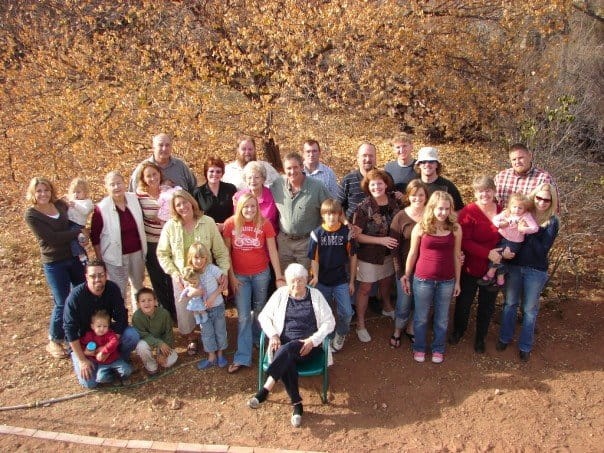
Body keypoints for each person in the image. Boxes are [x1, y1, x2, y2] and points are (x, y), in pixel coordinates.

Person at [247, 264, 335, 428]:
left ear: (306, 280)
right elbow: (264, 317)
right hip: (283, 348)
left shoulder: (315, 296)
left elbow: (330, 322)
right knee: (287, 355)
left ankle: (266, 390)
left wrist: (313, 340)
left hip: (309, 348)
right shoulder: (281, 294)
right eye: (293, 282)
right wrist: (273, 334)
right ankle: (297, 405)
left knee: (286, 351)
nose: (296, 286)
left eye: (300, 281)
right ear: (287, 282)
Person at [157, 190, 230, 355]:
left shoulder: (208, 222)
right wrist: (174, 273)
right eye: (178, 205)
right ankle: (191, 337)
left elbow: (220, 251)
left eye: (185, 202)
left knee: (209, 306)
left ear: (192, 202)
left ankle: (212, 339)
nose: (183, 207)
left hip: (207, 273)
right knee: (185, 309)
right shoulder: (170, 226)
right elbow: (162, 253)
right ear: (174, 209)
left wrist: (223, 272)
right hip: (184, 276)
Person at [449, 176, 513, 353]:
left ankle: (480, 338)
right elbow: (464, 241)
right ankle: (458, 331)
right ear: (475, 193)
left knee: (487, 304)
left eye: (488, 190)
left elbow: (510, 235)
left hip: (494, 268)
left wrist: (507, 250)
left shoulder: (503, 212)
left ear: (494, 191)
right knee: (464, 302)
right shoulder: (468, 212)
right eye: (480, 191)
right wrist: (487, 253)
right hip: (471, 267)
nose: (484, 194)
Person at [25, 177, 87, 358]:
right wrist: (78, 232)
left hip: (73, 257)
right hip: (54, 262)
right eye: (39, 191)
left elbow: (77, 213)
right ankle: (54, 339)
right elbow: (52, 238)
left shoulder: (59, 205)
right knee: (62, 301)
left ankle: (77, 332)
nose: (43, 194)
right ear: (33, 193)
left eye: (46, 190)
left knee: (81, 292)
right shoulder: (32, 215)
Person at [497, 183, 560, 362]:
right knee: (510, 304)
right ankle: (505, 338)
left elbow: (543, 249)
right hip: (515, 265)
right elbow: (507, 232)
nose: (541, 202)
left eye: (546, 199)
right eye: (538, 198)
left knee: (530, 310)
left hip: (535, 269)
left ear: (551, 201)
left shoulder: (552, 221)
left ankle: (525, 345)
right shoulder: (523, 213)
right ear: (533, 197)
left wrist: (529, 232)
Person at [223, 193, 284, 373]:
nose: (249, 210)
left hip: (261, 275)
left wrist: (279, 276)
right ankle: (242, 356)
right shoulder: (230, 224)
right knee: (242, 316)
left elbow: (272, 251)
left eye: (253, 206)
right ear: (239, 207)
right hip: (240, 277)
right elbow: (226, 253)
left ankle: (258, 339)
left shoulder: (264, 224)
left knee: (260, 310)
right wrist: (231, 277)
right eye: (246, 206)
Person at [403, 191, 461, 364]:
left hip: (447, 280)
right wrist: (406, 275)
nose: (443, 212)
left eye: (446, 208)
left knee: (442, 318)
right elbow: (412, 253)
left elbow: (457, 256)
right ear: (432, 208)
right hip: (422, 279)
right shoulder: (421, 227)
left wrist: (458, 281)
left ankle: (438, 349)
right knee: (421, 317)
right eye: (439, 208)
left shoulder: (455, 228)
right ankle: (419, 347)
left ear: (451, 209)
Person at [63, 260, 140, 388]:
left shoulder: (112, 289)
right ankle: (100, 366)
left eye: (101, 275)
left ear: (106, 275)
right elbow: (69, 330)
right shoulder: (75, 297)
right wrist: (83, 359)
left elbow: (121, 317)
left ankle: (118, 360)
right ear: (86, 276)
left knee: (132, 335)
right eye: (93, 276)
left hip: (106, 336)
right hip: (85, 345)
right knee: (90, 383)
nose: (97, 279)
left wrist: (109, 348)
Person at [353, 169, 402, 342]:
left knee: (386, 280)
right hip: (370, 255)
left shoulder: (396, 202)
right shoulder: (363, 207)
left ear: (386, 184)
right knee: (366, 287)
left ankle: (387, 306)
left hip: (392, 254)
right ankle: (360, 323)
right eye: (373, 184)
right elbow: (356, 235)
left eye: (380, 183)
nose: (376, 187)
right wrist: (380, 241)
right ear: (368, 186)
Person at [91, 171, 147, 311]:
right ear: (107, 188)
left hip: (137, 252)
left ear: (124, 183)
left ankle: (139, 319)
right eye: (112, 185)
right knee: (118, 290)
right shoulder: (101, 208)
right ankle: (121, 322)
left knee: (138, 286)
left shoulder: (134, 199)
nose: (116, 187)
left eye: (119, 183)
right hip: (115, 257)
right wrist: (100, 259)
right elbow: (95, 236)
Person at [308, 199, 357, 352]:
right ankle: (327, 337)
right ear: (323, 215)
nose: (331, 217)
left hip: (341, 279)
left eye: (334, 214)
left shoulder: (346, 233)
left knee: (347, 312)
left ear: (339, 215)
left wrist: (352, 282)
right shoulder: (316, 234)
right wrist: (315, 276)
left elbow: (353, 257)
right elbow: (314, 258)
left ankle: (341, 333)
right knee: (324, 312)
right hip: (322, 281)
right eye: (328, 214)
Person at [270, 152, 331, 270]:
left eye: (295, 167)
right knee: (286, 278)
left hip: (306, 242)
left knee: (304, 280)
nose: (292, 172)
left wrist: (344, 224)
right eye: (288, 168)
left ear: (302, 167)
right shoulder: (278, 185)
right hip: (284, 242)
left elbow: (331, 209)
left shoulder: (317, 187)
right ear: (283, 169)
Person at [389, 179, 429, 347]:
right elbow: (394, 249)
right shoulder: (400, 217)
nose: (417, 199)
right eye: (414, 195)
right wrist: (400, 273)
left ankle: (411, 328)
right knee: (404, 302)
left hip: (426, 270)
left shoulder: (432, 215)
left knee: (421, 303)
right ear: (408, 196)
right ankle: (398, 329)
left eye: (421, 195)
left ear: (426, 197)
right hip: (406, 270)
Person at [135, 161, 177, 319]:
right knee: (157, 278)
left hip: (171, 242)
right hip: (151, 243)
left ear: (160, 174)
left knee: (172, 276)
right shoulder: (139, 196)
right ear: (143, 179)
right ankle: (166, 312)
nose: (152, 178)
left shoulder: (169, 192)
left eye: (155, 174)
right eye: (148, 176)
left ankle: (176, 309)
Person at [179, 242, 228, 370]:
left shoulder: (212, 269)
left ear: (206, 258)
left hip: (216, 306)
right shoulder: (190, 272)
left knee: (220, 331)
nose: (199, 261)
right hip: (202, 311)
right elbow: (187, 289)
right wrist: (194, 292)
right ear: (191, 258)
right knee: (207, 333)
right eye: (196, 257)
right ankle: (211, 356)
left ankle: (220, 354)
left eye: (202, 257)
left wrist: (214, 295)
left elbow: (223, 285)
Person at [480, 193, 538, 288]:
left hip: (515, 241)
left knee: (501, 256)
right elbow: (495, 219)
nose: (516, 210)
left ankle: (491, 273)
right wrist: (501, 224)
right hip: (503, 237)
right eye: (514, 207)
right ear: (510, 206)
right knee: (498, 256)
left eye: (520, 208)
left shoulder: (526, 216)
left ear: (525, 209)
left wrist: (523, 229)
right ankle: (500, 278)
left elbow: (535, 228)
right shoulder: (507, 213)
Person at [495, 143, 558, 212]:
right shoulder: (501, 177)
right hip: (502, 221)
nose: (517, 162)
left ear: (530, 156)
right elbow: (491, 203)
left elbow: (554, 209)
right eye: (514, 159)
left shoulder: (543, 179)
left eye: (520, 158)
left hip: (533, 221)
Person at [129, 133, 197, 193]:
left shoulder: (180, 165)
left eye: (167, 145)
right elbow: (132, 195)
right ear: (153, 148)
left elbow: (194, 189)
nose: (164, 148)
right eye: (160, 145)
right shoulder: (142, 168)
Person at [132, 287, 178, 375]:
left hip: (163, 341)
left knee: (170, 362)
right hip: (147, 341)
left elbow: (169, 333)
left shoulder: (164, 314)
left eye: (150, 300)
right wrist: (158, 343)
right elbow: (143, 335)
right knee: (141, 347)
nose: (147, 303)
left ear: (155, 301)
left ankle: (160, 355)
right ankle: (151, 366)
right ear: (138, 304)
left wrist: (162, 353)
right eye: (143, 301)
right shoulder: (136, 317)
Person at [80, 309, 133, 385]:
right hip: (102, 364)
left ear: (108, 326)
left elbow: (114, 341)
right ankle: (113, 377)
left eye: (105, 326)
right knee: (100, 378)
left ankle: (123, 377)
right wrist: (85, 352)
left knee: (127, 370)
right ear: (92, 326)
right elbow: (81, 343)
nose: (102, 329)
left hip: (115, 359)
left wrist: (104, 351)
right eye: (99, 326)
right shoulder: (89, 336)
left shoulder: (109, 334)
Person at [192, 157, 237, 232]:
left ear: (222, 173)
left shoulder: (231, 189)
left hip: (228, 232)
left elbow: (237, 212)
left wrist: (225, 225)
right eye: (211, 171)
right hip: (206, 232)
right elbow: (194, 216)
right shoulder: (198, 192)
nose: (215, 174)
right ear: (206, 172)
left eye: (218, 172)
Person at [233, 161, 279, 234]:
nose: (253, 181)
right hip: (247, 240)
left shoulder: (273, 196)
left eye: (257, 177)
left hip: (269, 239)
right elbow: (237, 221)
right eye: (249, 178)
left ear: (263, 179)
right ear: (245, 179)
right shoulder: (239, 197)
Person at [414, 147, 464, 212]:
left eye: (431, 162)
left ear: (437, 165)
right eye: (423, 162)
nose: (427, 164)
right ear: (419, 165)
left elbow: (459, 210)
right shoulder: (414, 185)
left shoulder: (447, 186)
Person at [338, 142, 378, 221]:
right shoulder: (348, 180)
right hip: (352, 229)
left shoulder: (384, 178)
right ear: (358, 158)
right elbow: (337, 205)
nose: (368, 159)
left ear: (375, 158)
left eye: (371, 156)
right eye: (364, 155)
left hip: (378, 231)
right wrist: (346, 224)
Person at [65, 177, 93, 265]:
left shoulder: (87, 202)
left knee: (74, 240)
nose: (76, 194)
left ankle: (82, 256)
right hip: (69, 223)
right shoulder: (71, 201)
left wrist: (75, 205)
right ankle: (80, 251)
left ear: (85, 192)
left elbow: (85, 211)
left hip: (78, 225)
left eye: (78, 192)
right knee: (72, 240)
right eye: (74, 192)